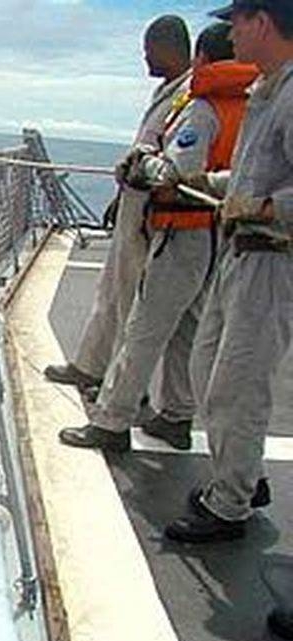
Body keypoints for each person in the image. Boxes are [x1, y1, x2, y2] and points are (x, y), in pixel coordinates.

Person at [58, 23, 259, 453]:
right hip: (218, 235)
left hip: (182, 234)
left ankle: (112, 421)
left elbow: (175, 173)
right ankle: (176, 416)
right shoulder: (249, 107)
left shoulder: (202, 110)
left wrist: (142, 167)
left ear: (202, 58)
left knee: (144, 327)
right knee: (188, 328)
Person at [163, 0, 293, 543]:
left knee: (238, 385)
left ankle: (228, 506)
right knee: (207, 370)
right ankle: (244, 475)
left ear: (261, 22)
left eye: (237, 22)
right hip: (240, 258)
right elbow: (249, 176)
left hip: (270, 262)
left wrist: (261, 208)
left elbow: (274, 195)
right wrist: (209, 185)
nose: (230, 34)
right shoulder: (266, 91)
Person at [44, 16, 193, 392]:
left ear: (167, 47)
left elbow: (171, 162)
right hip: (133, 205)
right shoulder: (168, 91)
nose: (146, 58)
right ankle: (90, 366)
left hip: (149, 214)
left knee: (132, 302)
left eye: (149, 50)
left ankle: (125, 388)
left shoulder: (188, 95)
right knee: (111, 290)